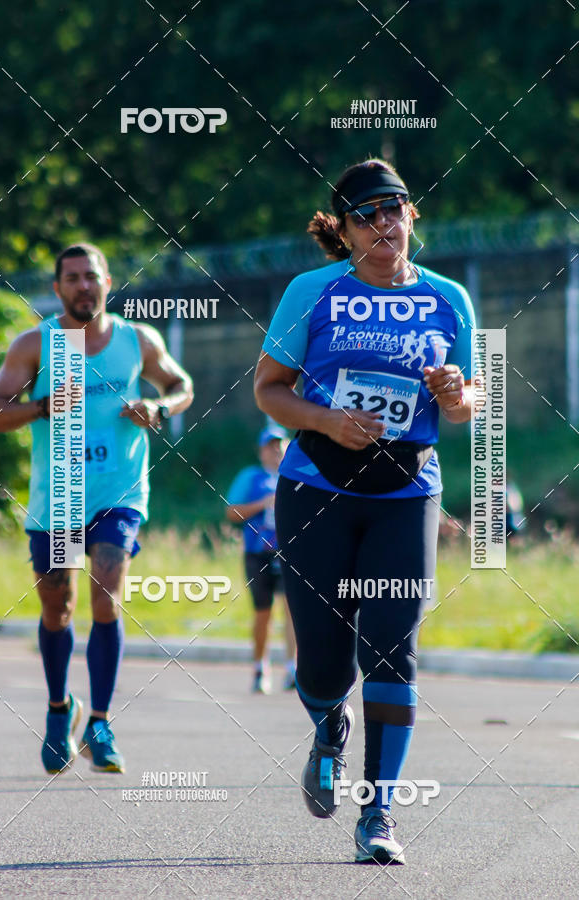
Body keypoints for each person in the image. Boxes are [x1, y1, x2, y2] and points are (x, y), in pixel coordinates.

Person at [254, 159, 478, 864]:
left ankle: (378, 815)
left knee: (391, 648)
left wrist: (453, 395)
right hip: (316, 489)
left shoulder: (449, 298)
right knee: (322, 666)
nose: (384, 224)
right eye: (367, 214)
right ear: (345, 230)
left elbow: (475, 402)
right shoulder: (312, 291)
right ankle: (328, 725)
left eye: (395, 209)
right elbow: (269, 390)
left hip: (407, 492)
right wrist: (324, 420)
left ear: (413, 216)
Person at [0, 242, 194, 774]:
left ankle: (99, 721)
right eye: (72, 278)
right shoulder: (36, 344)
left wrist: (158, 406)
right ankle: (61, 711)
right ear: (57, 290)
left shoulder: (136, 340)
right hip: (61, 495)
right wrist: (41, 406)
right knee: (58, 605)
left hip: (118, 491)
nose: (83, 286)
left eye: (91, 276)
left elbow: (180, 385)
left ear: (107, 283)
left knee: (106, 590)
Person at [226, 426, 297, 693]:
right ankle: (260, 666)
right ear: (261, 451)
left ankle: (292, 668)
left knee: (292, 611)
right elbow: (231, 512)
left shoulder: (295, 475)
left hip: (290, 553)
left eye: (281, 445)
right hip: (258, 553)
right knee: (263, 613)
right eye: (271, 446)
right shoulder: (251, 477)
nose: (276, 451)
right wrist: (264, 503)